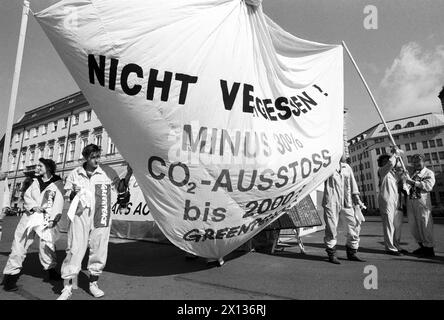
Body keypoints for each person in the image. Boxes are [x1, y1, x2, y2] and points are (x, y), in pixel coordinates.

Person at [57, 144, 132, 300]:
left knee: (99, 249)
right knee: (74, 248)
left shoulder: (108, 172)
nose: (97, 160)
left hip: (101, 215)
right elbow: (67, 195)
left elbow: (121, 189)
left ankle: (93, 284)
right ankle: (68, 286)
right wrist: (73, 194)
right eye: (93, 157)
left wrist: (129, 174)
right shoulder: (75, 174)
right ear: (86, 157)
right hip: (79, 216)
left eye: (99, 156)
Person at [2, 159, 64, 291]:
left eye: (40, 166)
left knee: (47, 245)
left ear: (48, 168)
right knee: (20, 244)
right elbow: (27, 196)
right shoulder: (33, 181)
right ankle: (10, 278)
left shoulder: (58, 183)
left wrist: (54, 218)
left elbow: (59, 202)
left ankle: (51, 271)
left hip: (46, 219)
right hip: (30, 217)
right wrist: (34, 207)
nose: (37, 168)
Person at [322, 155, 365, 264]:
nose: (344, 155)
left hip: (347, 201)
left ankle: (352, 252)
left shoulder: (347, 167)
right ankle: (332, 254)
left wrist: (356, 197)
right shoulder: (327, 165)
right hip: (331, 200)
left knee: (354, 225)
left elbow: (352, 183)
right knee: (331, 227)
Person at [403, 154, 436, 257]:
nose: (416, 164)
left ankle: (429, 249)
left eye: (418, 161)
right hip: (411, 201)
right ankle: (422, 246)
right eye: (414, 162)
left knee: (425, 224)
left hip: (422, 202)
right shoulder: (412, 173)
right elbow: (402, 164)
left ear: (424, 162)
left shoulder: (428, 173)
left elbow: (428, 186)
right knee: (414, 226)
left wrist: (413, 183)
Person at [377, 149, 408, 256]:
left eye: (388, 160)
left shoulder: (394, 175)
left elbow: (402, 184)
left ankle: (396, 245)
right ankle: (390, 247)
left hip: (395, 201)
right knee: (389, 224)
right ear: (381, 164)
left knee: (397, 225)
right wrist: (395, 154)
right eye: (384, 161)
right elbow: (391, 163)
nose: (388, 161)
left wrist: (404, 175)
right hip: (386, 200)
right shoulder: (381, 171)